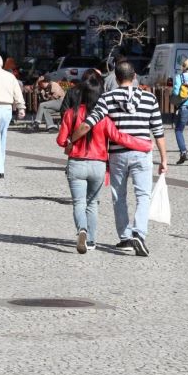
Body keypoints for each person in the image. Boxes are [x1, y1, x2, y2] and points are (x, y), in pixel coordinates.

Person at [69, 61, 167, 257]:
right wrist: (164, 159)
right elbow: (158, 131)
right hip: (142, 154)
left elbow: (89, 123)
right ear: (135, 76)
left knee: (119, 197)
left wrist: (72, 140)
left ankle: (125, 238)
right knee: (143, 196)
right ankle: (139, 233)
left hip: (118, 154)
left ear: (116, 78)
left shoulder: (107, 98)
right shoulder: (149, 98)